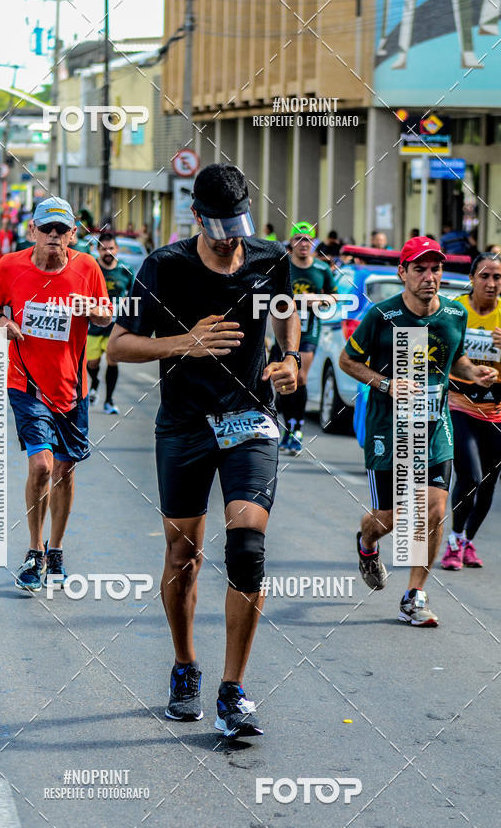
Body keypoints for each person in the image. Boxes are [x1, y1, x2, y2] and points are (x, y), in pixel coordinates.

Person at [108, 163, 300, 738]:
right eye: (218, 229)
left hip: (250, 420)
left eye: (237, 227)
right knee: (182, 555)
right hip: (185, 425)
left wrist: (289, 359)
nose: (229, 240)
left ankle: (233, 690)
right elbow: (118, 346)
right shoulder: (162, 267)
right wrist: (183, 343)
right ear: (196, 216)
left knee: (247, 544)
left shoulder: (271, 259)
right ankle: (185, 666)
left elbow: (285, 315)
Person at [339, 236, 497, 626]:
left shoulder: (454, 315)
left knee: (434, 509)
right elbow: (347, 360)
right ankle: (366, 542)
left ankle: (414, 596)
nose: (429, 277)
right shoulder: (382, 316)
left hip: (434, 427)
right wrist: (387, 384)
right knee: (388, 518)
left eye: (436, 269)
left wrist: (473, 372)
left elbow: (455, 357)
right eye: (420, 269)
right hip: (388, 428)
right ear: (403, 273)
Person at [0, 197, 112, 591]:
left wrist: (89, 307)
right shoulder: (10, 265)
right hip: (26, 383)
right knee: (41, 465)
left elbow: (106, 316)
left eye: (61, 230)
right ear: (32, 231)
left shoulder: (87, 268)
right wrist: (2, 322)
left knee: (64, 471)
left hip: (71, 387)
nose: (53, 236)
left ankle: (55, 550)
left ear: (73, 234)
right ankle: (33, 551)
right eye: (46, 229)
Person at [441, 253, 501, 569]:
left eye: (497, 277)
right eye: (484, 276)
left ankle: (467, 541)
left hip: (497, 411)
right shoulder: (455, 310)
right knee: (471, 478)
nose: (491, 283)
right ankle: (453, 540)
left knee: (489, 482)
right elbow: (435, 354)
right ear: (471, 278)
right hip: (459, 405)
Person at [273, 221, 337, 453]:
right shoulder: (283, 266)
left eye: (308, 239)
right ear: (291, 242)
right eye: (299, 238)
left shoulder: (321, 269)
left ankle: (297, 427)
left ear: (314, 243)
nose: (303, 243)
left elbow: (335, 296)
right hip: (284, 328)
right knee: (284, 378)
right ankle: (287, 427)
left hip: (310, 328)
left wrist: (318, 300)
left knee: (299, 377)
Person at [87, 232, 134, 413]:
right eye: (103, 249)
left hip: (115, 327)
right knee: (92, 363)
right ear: (98, 250)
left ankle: (109, 401)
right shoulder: (92, 268)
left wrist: (128, 305)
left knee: (112, 360)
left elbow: (133, 293)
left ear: (117, 249)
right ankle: (95, 381)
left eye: (111, 248)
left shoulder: (125, 270)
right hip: (93, 326)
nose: (108, 252)